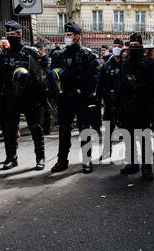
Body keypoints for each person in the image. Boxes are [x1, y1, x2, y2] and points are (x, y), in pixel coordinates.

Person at [49, 22, 100, 174]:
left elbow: (94, 77)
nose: (67, 38)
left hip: (81, 97)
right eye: (66, 35)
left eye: (70, 35)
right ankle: (62, 160)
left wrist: (86, 92)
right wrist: (57, 92)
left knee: (84, 128)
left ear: (77, 36)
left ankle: (87, 160)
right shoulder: (59, 54)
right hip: (65, 97)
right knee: (64, 129)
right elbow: (52, 76)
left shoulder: (87, 54)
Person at [0, 21, 46, 170]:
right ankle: (11, 158)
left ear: (20, 34)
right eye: (9, 35)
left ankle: (40, 157)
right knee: (10, 129)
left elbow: (41, 75)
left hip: (29, 96)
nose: (12, 37)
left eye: (14, 34)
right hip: (11, 96)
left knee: (35, 127)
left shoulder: (30, 52)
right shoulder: (4, 54)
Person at [115, 33, 154, 181]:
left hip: (143, 106)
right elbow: (120, 86)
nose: (134, 48)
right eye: (131, 45)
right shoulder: (125, 64)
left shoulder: (149, 64)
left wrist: (139, 87)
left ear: (141, 46)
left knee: (144, 138)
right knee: (129, 136)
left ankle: (146, 167)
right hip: (128, 106)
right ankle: (133, 163)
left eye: (136, 45)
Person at [95, 38, 124, 159]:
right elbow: (100, 83)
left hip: (123, 102)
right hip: (109, 102)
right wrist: (97, 98)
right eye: (115, 45)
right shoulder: (106, 65)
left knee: (129, 128)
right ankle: (107, 150)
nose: (117, 47)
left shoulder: (126, 64)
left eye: (119, 45)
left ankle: (134, 153)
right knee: (108, 127)